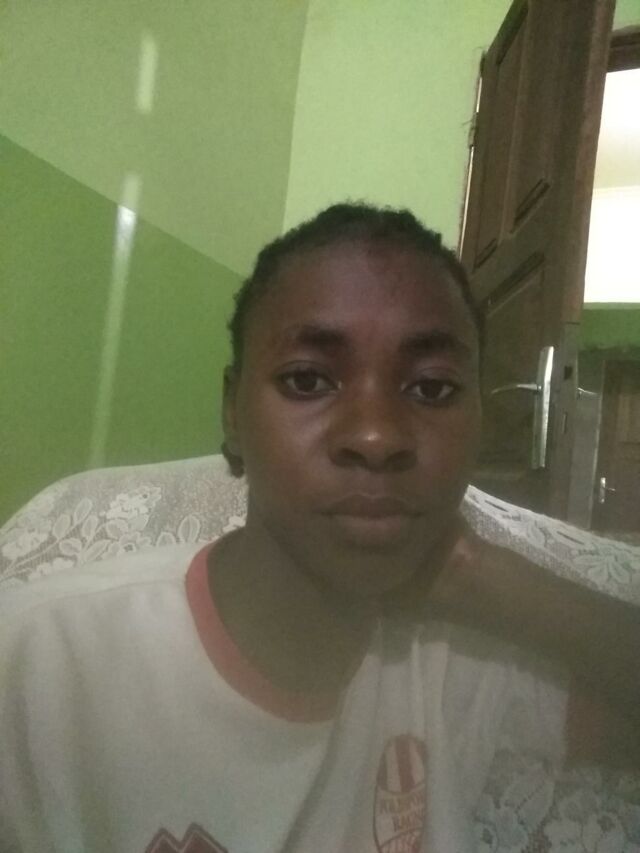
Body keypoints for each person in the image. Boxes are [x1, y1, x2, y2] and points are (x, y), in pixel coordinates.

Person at [0, 203, 638, 853]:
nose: (376, 435)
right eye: (307, 379)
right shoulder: (36, 666)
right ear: (232, 414)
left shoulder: (459, 663)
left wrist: (481, 575)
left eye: (432, 389)